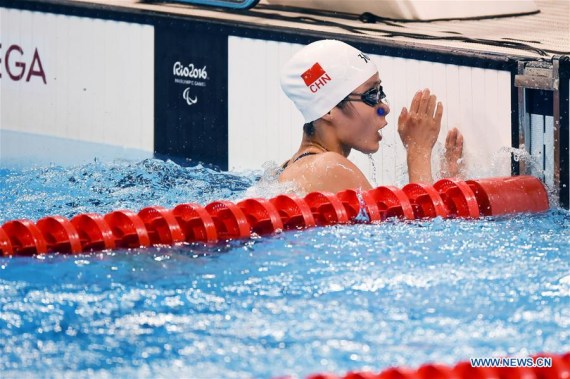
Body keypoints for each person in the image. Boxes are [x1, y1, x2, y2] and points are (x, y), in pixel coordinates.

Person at [278, 39, 463, 194]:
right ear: (328, 110)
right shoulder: (327, 167)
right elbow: (422, 232)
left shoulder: (291, 167)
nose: (384, 107)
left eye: (380, 92)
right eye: (372, 94)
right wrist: (418, 151)